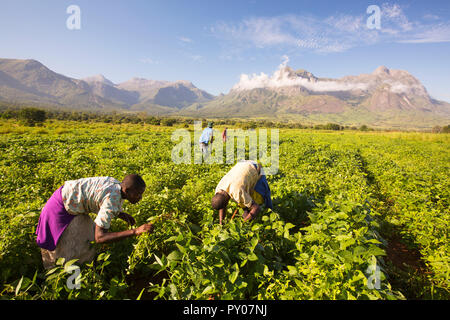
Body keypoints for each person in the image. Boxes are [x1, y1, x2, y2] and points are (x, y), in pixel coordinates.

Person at [35, 174, 153, 269]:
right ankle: (71, 283)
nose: (140, 198)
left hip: (68, 202)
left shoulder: (117, 185)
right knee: (71, 255)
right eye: (137, 194)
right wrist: (135, 231)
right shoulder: (112, 200)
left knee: (87, 240)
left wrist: (119, 213)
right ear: (126, 190)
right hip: (60, 209)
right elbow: (100, 237)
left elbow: (100, 197)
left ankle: (81, 274)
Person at [211, 160, 273, 225]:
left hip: (255, 168)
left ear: (226, 203)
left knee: (261, 198)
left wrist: (243, 223)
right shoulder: (219, 189)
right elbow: (222, 206)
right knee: (245, 202)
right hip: (243, 165)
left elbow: (256, 208)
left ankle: (270, 213)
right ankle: (247, 210)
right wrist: (221, 223)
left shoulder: (237, 192)